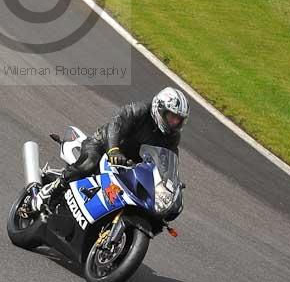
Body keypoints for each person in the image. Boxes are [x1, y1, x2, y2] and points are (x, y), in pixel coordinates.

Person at [36, 86, 189, 209]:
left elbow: (169, 161)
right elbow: (116, 124)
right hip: (104, 146)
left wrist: (171, 183)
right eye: (172, 116)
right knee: (88, 164)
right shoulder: (140, 110)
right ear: (160, 108)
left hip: (129, 165)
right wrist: (113, 150)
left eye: (178, 120)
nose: (174, 122)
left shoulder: (172, 136)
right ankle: (52, 189)